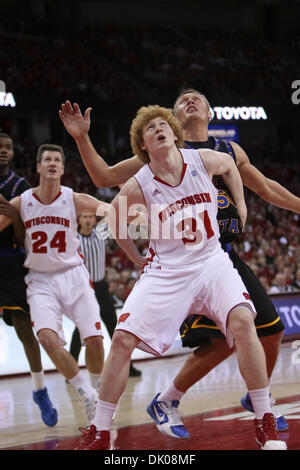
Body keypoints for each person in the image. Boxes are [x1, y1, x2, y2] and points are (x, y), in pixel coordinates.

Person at [59, 92, 300, 433]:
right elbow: (103, 177)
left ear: (209, 111)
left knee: (271, 331)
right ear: (173, 119)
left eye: (197, 98)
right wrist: (82, 137)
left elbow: (268, 189)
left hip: (219, 257)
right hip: (178, 263)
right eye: (182, 99)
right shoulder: (160, 152)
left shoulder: (227, 152)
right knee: (218, 341)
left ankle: (255, 397)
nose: (190, 100)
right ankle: (169, 399)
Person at [0, 143, 109, 424]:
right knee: (46, 338)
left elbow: (109, 209)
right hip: (40, 279)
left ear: (62, 168)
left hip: (73, 274)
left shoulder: (73, 198)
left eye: (56, 160)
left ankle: (98, 393)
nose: (51, 163)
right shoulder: (21, 202)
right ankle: (87, 396)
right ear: (37, 167)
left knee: (95, 341)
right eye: (46, 159)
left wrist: (138, 211)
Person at [0, 132, 57, 427]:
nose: (3, 151)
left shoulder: (21, 187)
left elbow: (25, 238)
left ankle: (40, 389)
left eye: (8, 146)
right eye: (0, 146)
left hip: (10, 264)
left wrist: (15, 216)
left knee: (25, 330)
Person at [69, 211, 141, 378]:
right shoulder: (73, 239)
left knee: (115, 328)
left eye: (89, 217)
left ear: (94, 219)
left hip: (101, 287)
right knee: (79, 330)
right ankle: (72, 370)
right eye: (84, 217)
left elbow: (117, 219)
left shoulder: (101, 233)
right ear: (78, 220)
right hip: (83, 289)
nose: (87, 219)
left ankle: (128, 367)